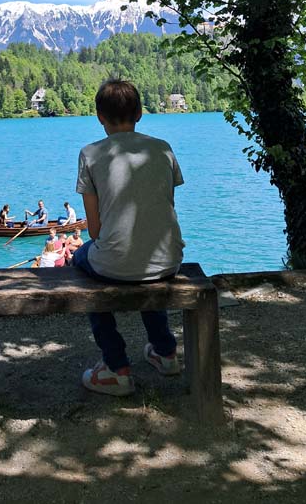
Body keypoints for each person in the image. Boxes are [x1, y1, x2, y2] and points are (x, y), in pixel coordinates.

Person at [73, 78, 185, 396]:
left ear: (99, 117)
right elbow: (163, 210)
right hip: (169, 259)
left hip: (116, 263)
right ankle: (165, 353)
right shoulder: (162, 149)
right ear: (139, 113)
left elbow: (95, 231)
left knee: (81, 260)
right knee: (144, 255)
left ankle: (116, 367)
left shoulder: (90, 154)